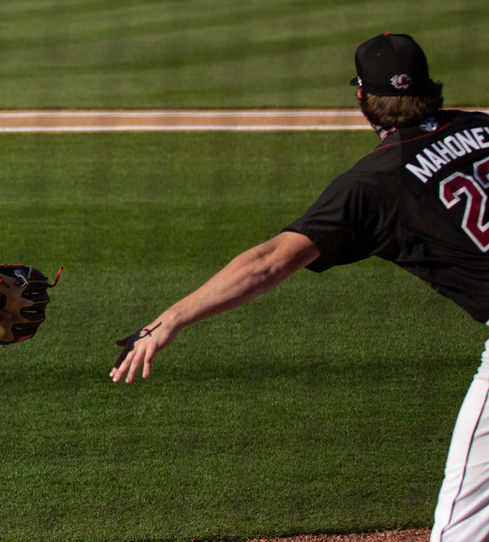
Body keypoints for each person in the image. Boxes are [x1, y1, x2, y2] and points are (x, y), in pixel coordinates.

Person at [111, 33, 489, 542]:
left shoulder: (373, 183)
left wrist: (170, 319)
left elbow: (269, 263)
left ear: (362, 98)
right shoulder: (482, 126)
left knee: (461, 530)